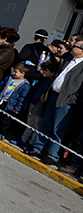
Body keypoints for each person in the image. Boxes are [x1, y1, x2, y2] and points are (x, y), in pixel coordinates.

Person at [29, 35, 83, 166]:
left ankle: (52, 155)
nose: (72, 46)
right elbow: (56, 76)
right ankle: (38, 148)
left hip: (66, 101)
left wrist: (72, 99)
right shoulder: (68, 60)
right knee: (45, 124)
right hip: (53, 95)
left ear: (81, 50)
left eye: (75, 45)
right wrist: (47, 91)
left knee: (58, 129)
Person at [0, 63, 31, 141]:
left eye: (16, 72)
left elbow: (22, 98)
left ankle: (1, 133)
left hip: (10, 105)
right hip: (2, 100)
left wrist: (17, 108)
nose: (14, 73)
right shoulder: (9, 78)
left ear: (22, 74)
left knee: (5, 120)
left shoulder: (25, 85)